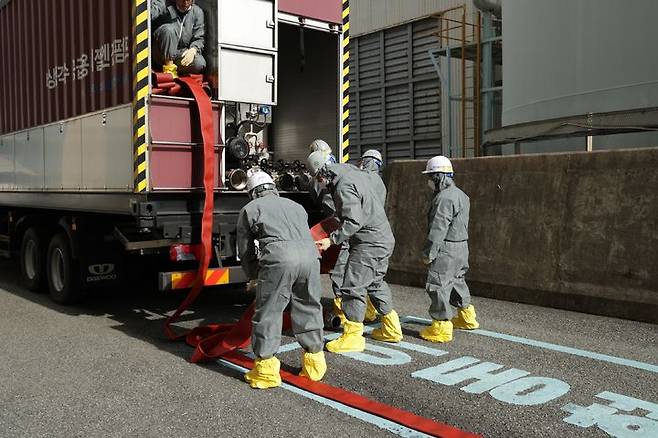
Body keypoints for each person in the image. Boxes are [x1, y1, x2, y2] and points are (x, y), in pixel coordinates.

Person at [237, 171, 327, 389]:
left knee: (269, 311)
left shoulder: (250, 209)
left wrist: (253, 275)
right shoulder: (296, 206)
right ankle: (314, 366)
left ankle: (266, 371)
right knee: (309, 306)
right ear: (273, 188)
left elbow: (246, 250)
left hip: (279, 259)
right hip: (310, 258)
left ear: (253, 193)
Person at [309, 151, 403, 353]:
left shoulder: (342, 186)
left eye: (318, 178)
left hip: (368, 243)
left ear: (322, 172)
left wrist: (331, 240)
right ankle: (392, 328)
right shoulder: (354, 173)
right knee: (376, 283)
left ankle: (353, 337)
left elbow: (353, 220)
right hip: (383, 239)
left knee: (352, 286)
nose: (320, 182)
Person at [420, 156, 479, 343]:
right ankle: (467, 317)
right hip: (462, 246)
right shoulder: (461, 195)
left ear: (439, 177)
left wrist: (429, 254)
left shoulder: (444, 198)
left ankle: (441, 327)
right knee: (457, 281)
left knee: (438, 285)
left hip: (447, 248)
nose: (429, 181)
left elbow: (438, 229)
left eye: (431, 176)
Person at [151, 0, 206, 77]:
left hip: (179, 52)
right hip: (160, 53)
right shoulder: (164, 4)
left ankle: (177, 69)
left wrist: (193, 50)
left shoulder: (197, 12)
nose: (185, 3)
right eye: (182, 0)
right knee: (169, 30)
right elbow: (150, 13)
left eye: (188, 0)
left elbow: (199, 37)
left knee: (199, 63)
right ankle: (169, 69)